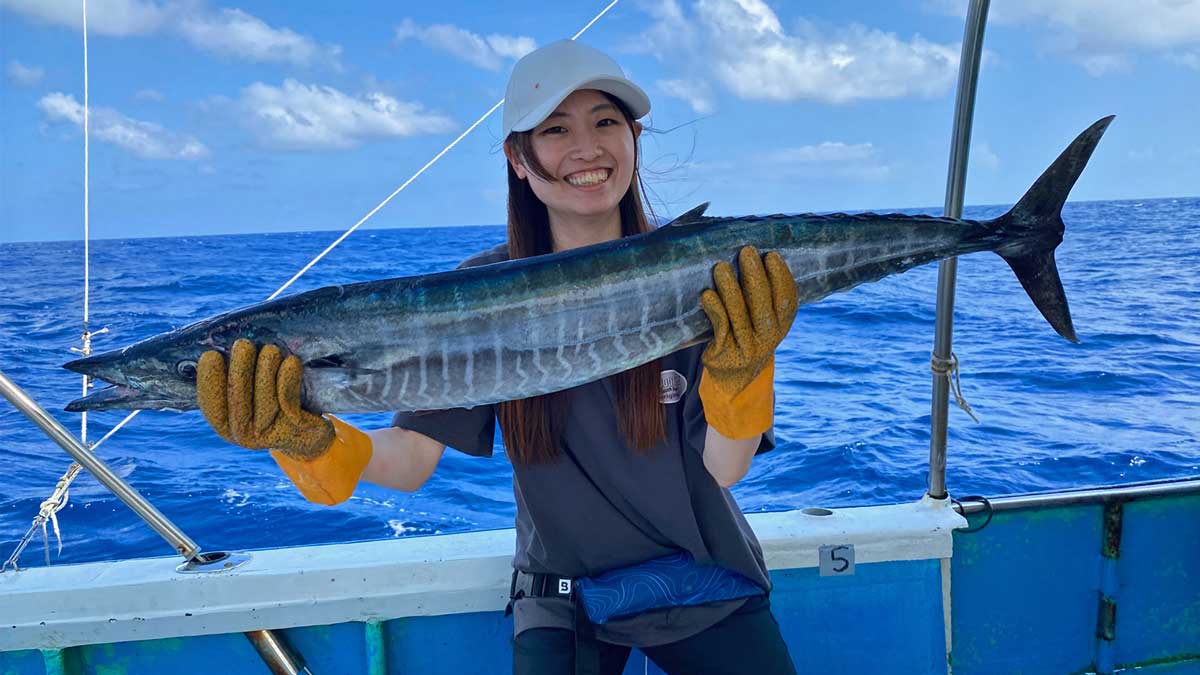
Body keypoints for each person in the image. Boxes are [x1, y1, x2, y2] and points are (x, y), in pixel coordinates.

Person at [195, 40, 799, 675]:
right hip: (562, 595)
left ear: (634, 138)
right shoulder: (470, 294)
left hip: (702, 573)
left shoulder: (707, 277)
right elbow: (407, 464)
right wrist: (302, 440)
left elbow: (726, 469)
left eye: (606, 122)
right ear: (518, 157)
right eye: (556, 129)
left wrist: (745, 371)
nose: (587, 148)